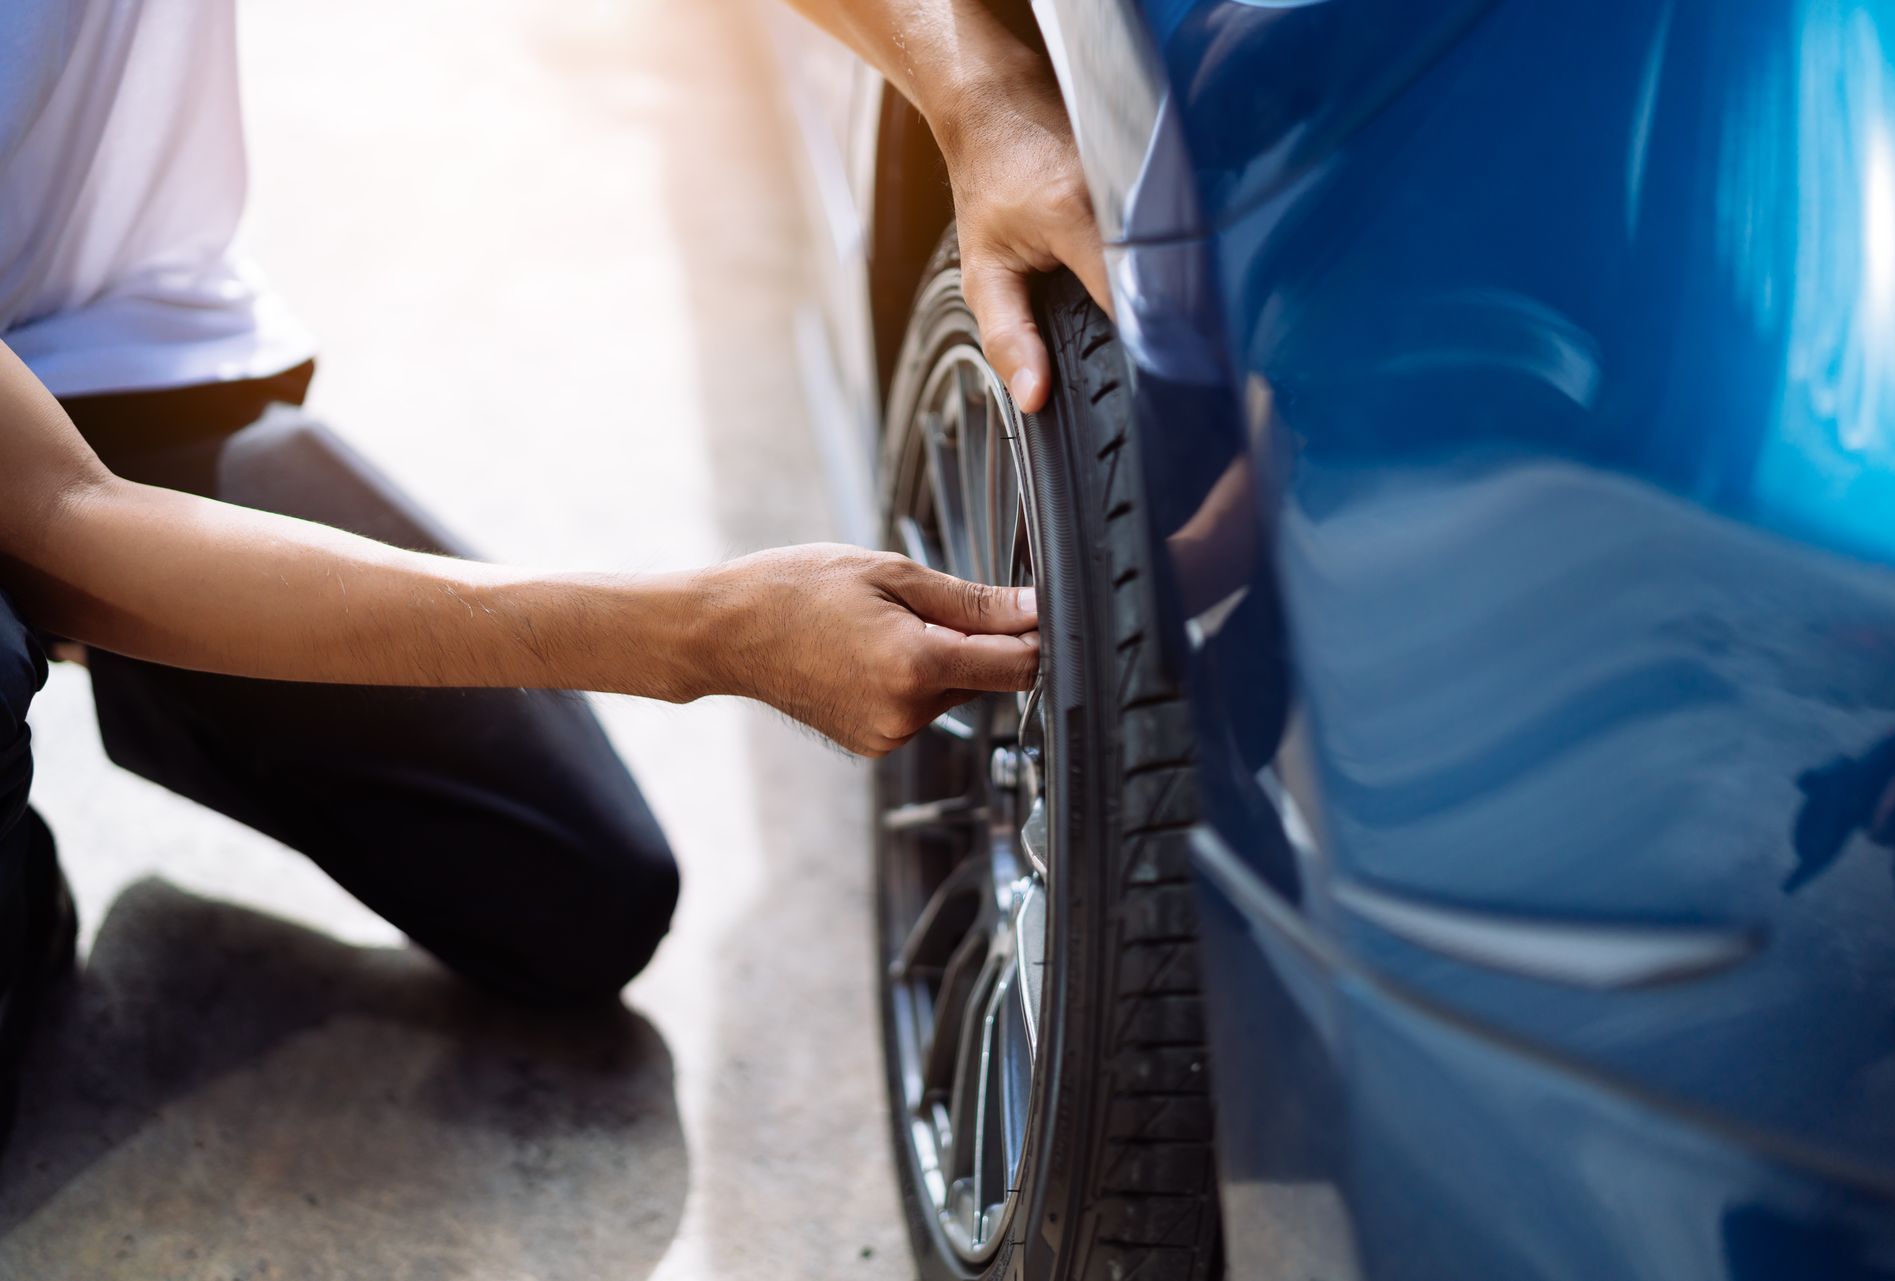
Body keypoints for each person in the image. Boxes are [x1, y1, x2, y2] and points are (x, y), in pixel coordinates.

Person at [0, 0, 1107, 1143]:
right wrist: (704, 635)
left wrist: (982, 95)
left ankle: (162, 667)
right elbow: (59, 520)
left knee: (575, 896)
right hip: (45, 495)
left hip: (100, 374)